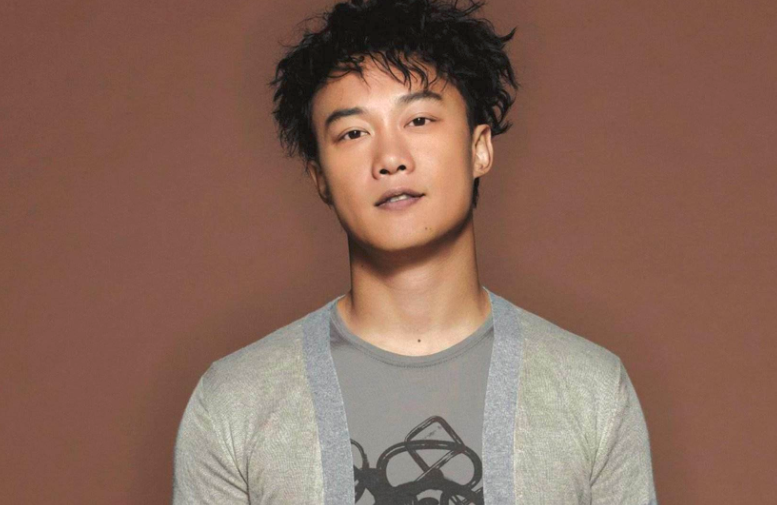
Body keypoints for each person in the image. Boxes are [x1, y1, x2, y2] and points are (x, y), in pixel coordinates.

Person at [172, 0, 658, 503]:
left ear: (479, 149)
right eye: (353, 133)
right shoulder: (233, 404)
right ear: (320, 178)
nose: (390, 159)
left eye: (419, 120)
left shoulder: (592, 392)